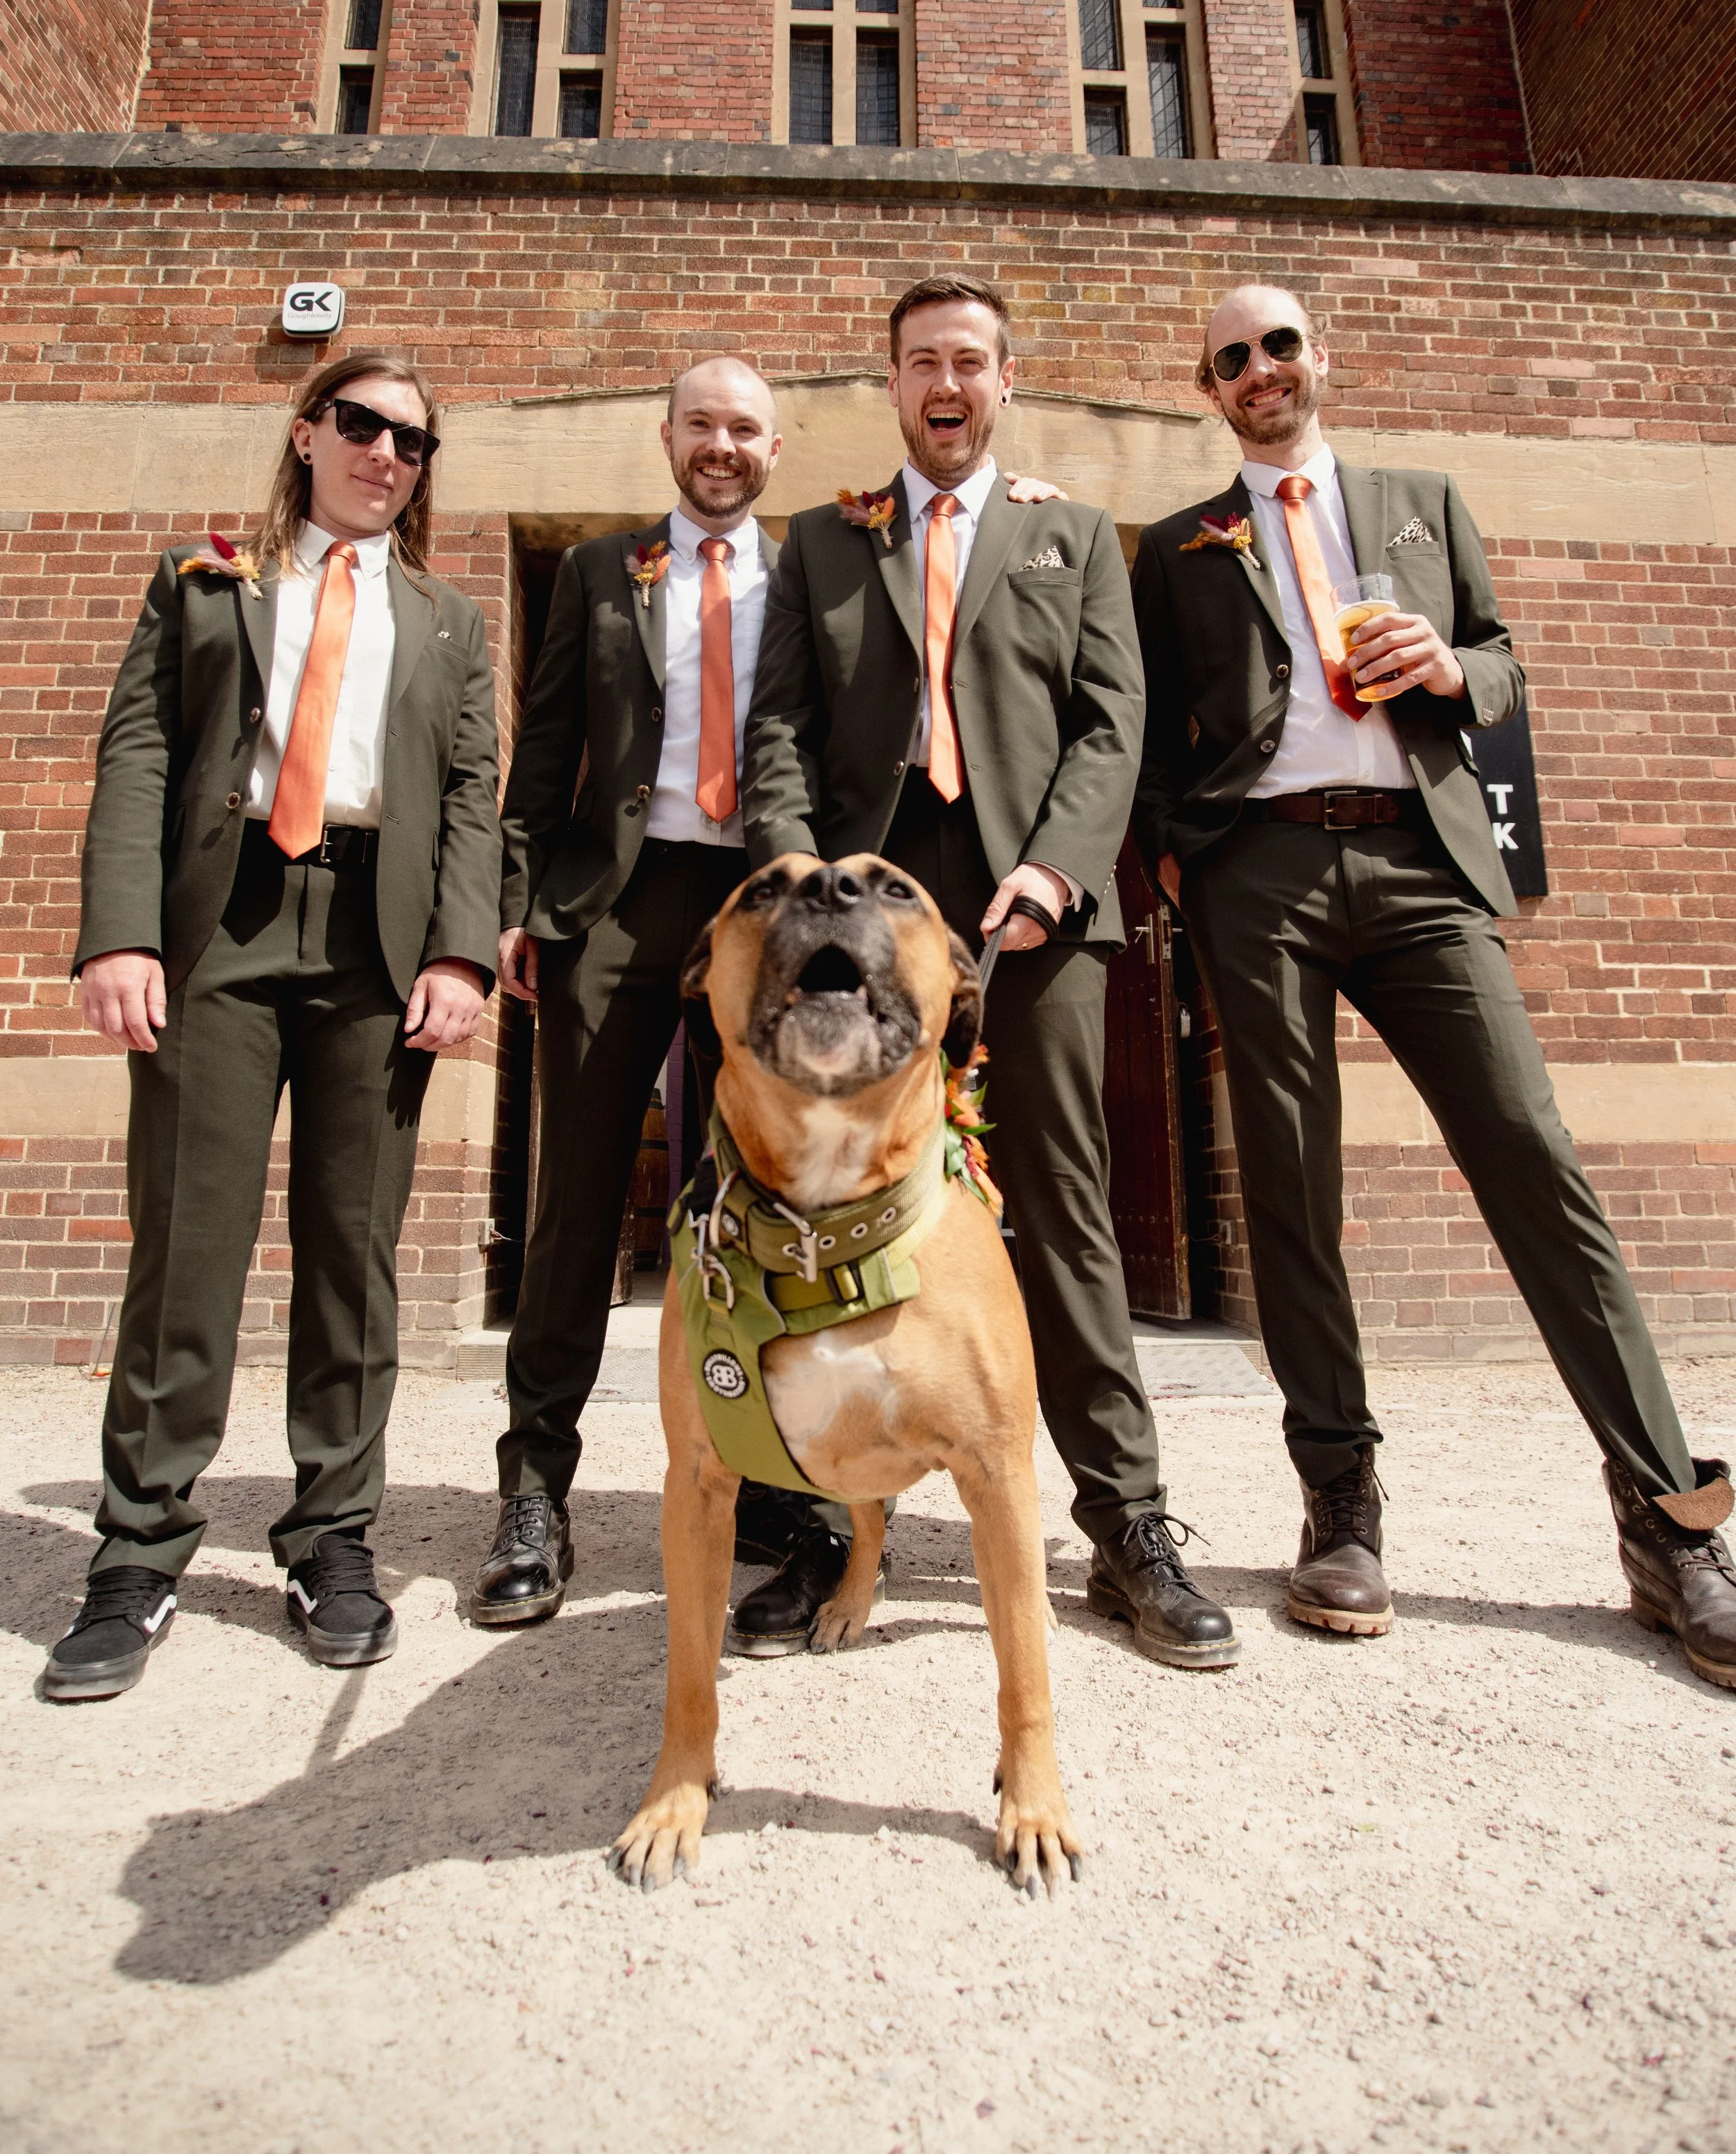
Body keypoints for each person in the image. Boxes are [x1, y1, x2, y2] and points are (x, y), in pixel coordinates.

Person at [1130, 283, 1734, 1686]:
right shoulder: (1175, 549)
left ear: (1314, 359)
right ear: (1207, 390)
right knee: (1286, 1183)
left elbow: (1506, 663)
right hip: (1258, 875)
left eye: (1277, 344)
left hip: (1418, 864)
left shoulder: (1418, 498)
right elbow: (1148, 724)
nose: (1259, 369)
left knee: (1532, 1158)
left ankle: (1665, 1517)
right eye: (1231, 358)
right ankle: (1339, 1504)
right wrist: (1177, 861)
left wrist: (1451, 671)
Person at [740, 274, 1240, 1670]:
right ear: (889, 385)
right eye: (918, 363)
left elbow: (1111, 717)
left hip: (1037, 912)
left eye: (967, 361)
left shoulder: (1067, 536)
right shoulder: (821, 543)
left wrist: (1055, 864)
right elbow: (776, 725)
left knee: (1063, 1206)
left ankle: (1126, 1524)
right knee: (830, 1203)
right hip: (864, 937)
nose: (943, 384)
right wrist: (805, 892)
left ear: (1003, 379)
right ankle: (819, 1521)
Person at [44, 351, 501, 1702]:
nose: (385, 455)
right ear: (305, 435)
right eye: (360, 426)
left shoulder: (445, 622)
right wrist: (122, 931)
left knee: (353, 1256)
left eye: (412, 443)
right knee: (186, 1244)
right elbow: (136, 751)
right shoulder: (206, 583)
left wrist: (462, 953)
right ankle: (139, 1551)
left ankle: (330, 1538)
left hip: (377, 937)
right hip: (224, 924)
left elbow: (471, 796)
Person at [473, 358, 785, 1628]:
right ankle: (535, 1491)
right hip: (613, 901)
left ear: (776, 446)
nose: (721, 445)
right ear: (667, 437)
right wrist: (512, 901)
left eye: (745, 428)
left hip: (755, 911)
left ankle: (765, 1475)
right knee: (577, 1201)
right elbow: (545, 747)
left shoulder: (819, 562)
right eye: (701, 424)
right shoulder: (606, 572)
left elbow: (954, 520)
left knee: (756, 1200)